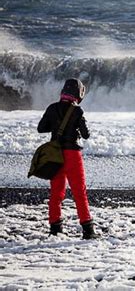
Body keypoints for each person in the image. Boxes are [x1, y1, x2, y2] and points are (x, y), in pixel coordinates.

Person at [37, 78, 98, 240]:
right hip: (72, 154)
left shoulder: (52, 108)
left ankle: (55, 227)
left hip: (55, 154)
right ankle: (88, 230)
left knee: (56, 192)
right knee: (79, 192)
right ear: (79, 93)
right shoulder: (77, 111)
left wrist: (56, 126)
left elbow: (41, 128)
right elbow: (86, 134)